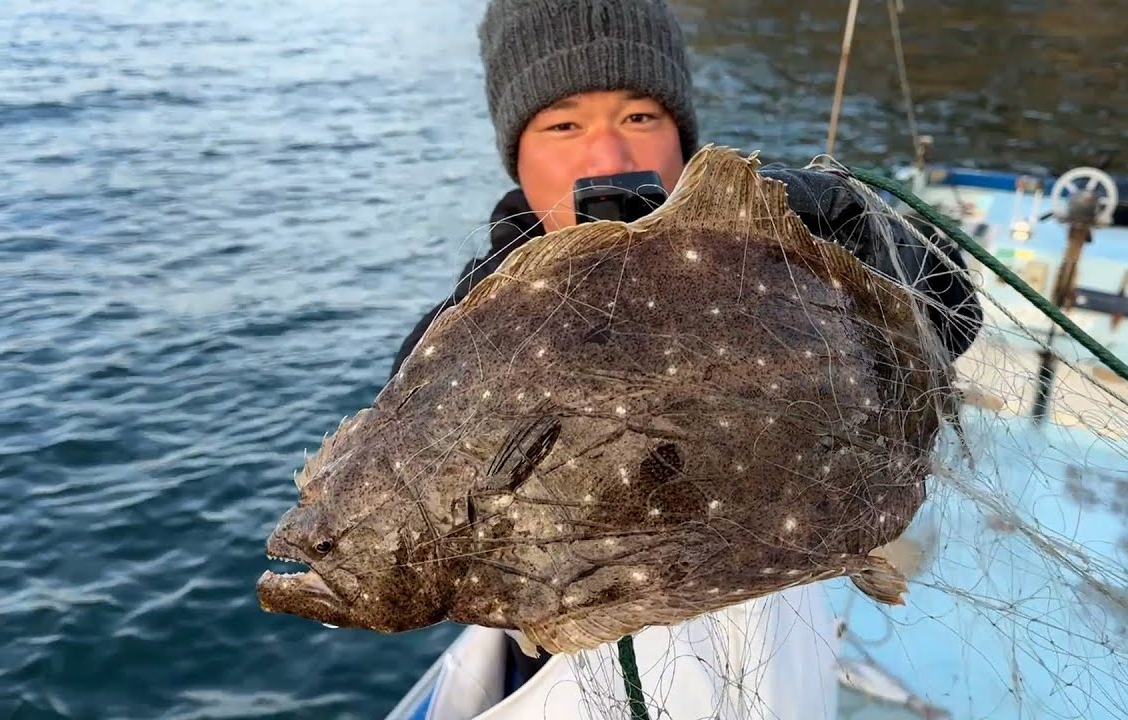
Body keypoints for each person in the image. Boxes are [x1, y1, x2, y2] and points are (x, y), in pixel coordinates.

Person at [387, 0, 984, 698]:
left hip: (772, 603)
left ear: (682, 135)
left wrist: (855, 229)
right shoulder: (477, 309)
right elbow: (404, 437)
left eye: (641, 117)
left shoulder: (765, 253)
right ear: (515, 151)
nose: (608, 157)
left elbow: (955, 315)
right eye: (564, 124)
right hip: (571, 648)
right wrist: (508, 302)